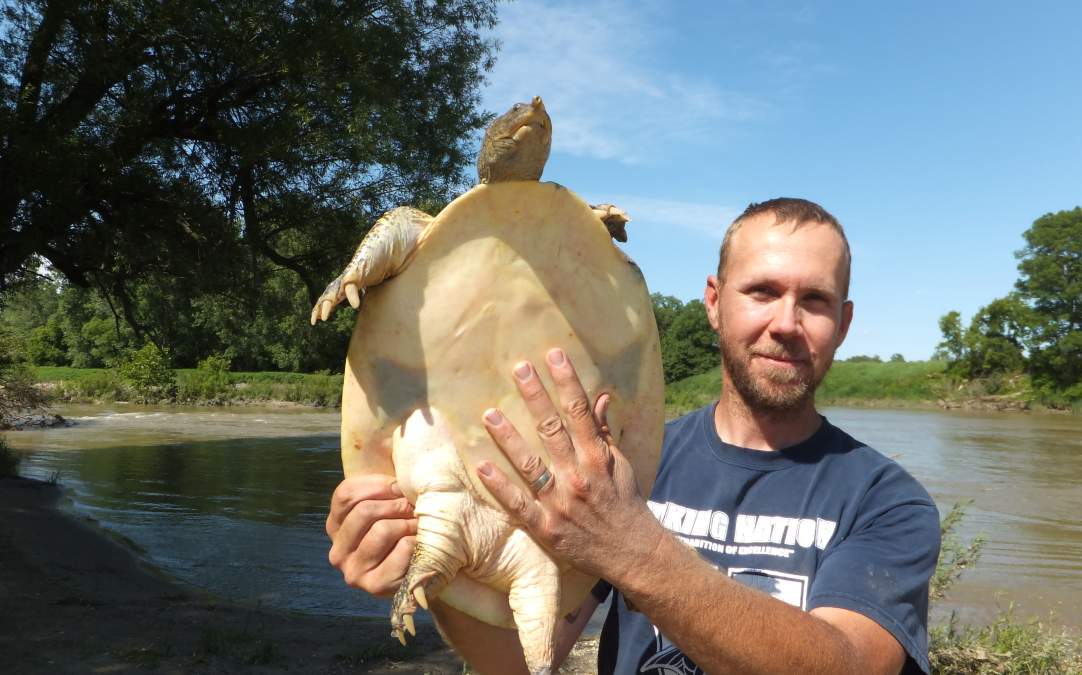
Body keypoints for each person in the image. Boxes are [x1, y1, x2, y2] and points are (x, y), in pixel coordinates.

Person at [326, 198, 941, 674]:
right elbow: (514, 662)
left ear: (845, 322)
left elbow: (850, 666)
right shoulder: (624, 460)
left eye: (815, 300)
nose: (786, 323)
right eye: (762, 292)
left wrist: (631, 548)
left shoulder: (886, 501)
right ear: (714, 301)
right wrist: (439, 569)